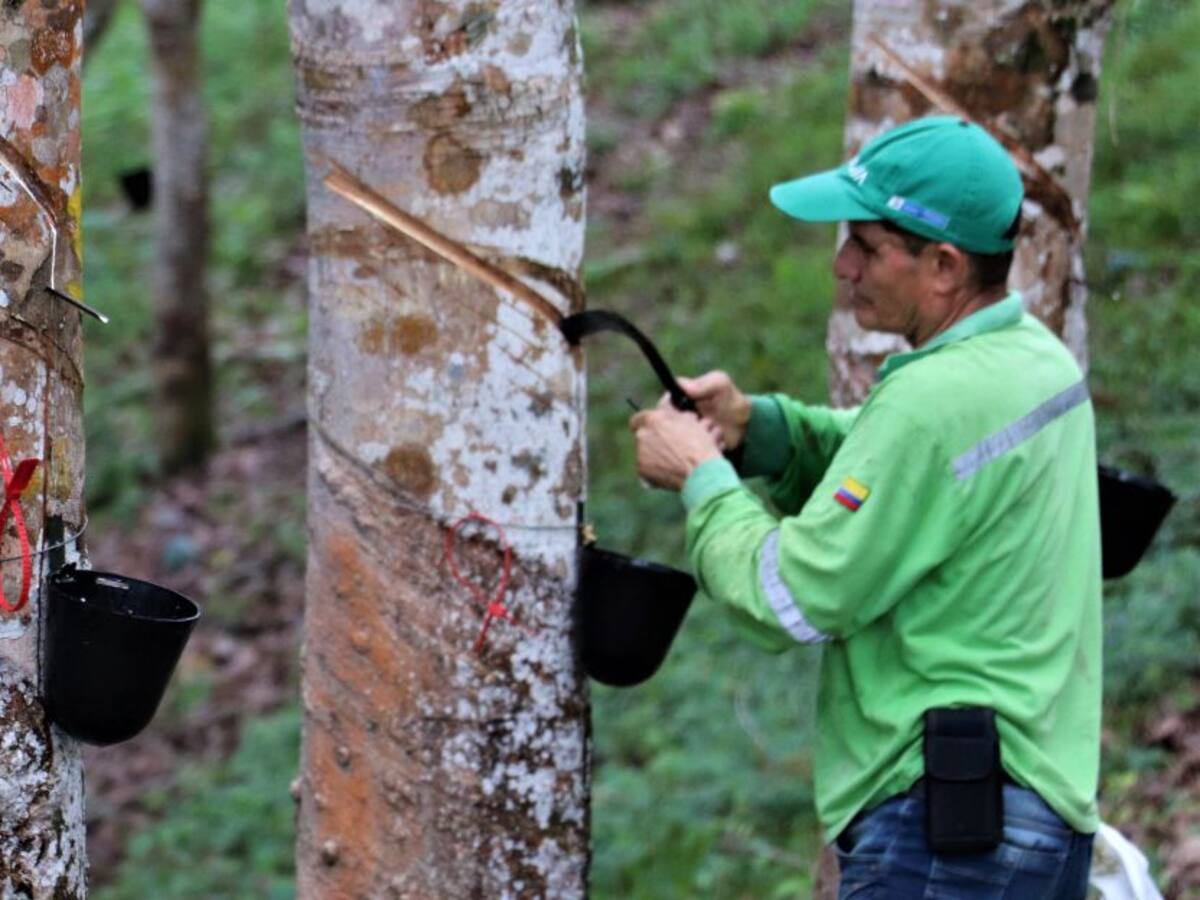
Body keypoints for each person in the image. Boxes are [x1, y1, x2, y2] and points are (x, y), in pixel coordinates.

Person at [629, 116, 1100, 898]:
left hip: (945, 837)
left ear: (943, 266)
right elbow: (898, 469)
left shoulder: (931, 400)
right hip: (1033, 820)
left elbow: (793, 595)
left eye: (868, 246)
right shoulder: (1034, 363)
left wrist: (702, 478)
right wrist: (760, 431)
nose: (842, 265)